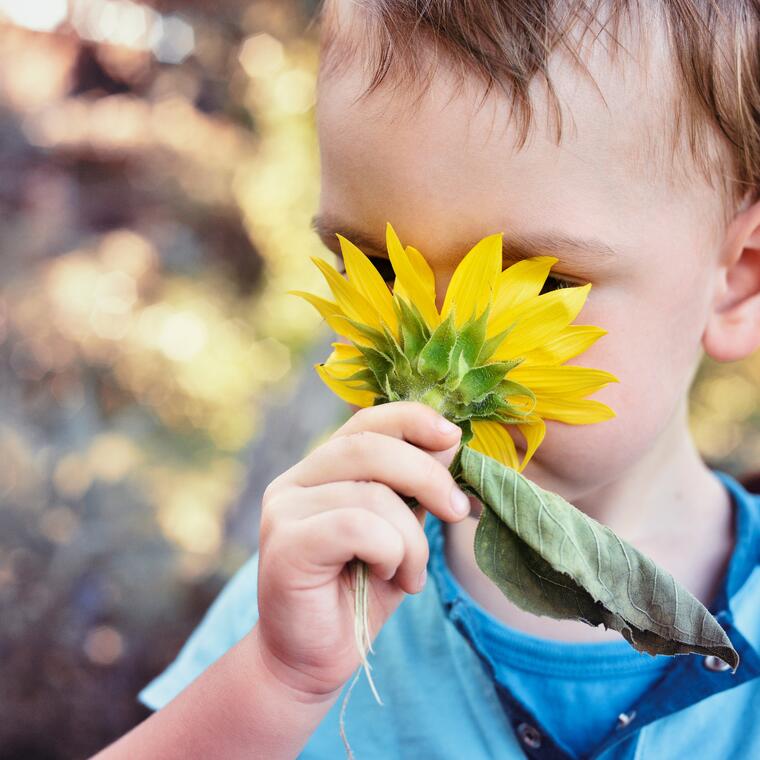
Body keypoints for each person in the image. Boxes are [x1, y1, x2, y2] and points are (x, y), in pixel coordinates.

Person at [93, 1, 760, 758]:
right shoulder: (312, 596)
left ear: (737, 279)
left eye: (537, 282)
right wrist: (279, 685)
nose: (430, 355)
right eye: (379, 267)